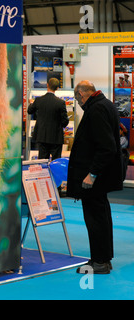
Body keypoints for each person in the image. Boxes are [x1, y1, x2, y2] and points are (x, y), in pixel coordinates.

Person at [67, 80, 123, 274]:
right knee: (102, 216)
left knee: (95, 219)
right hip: (102, 178)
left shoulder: (96, 110)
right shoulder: (106, 104)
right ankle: (102, 259)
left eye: (77, 99)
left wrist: (92, 174)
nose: (79, 104)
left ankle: (100, 262)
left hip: (95, 179)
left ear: (82, 95)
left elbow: (107, 147)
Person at [28, 77, 69, 161]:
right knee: (56, 162)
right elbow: (65, 122)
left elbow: (30, 111)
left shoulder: (39, 100)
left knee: (42, 162)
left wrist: (31, 103)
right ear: (57, 88)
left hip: (42, 137)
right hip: (56, 138)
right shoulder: (60, 103)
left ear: (47, 85)